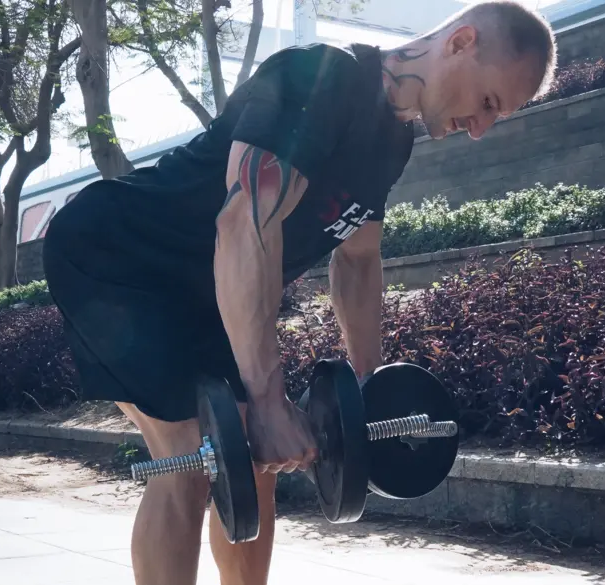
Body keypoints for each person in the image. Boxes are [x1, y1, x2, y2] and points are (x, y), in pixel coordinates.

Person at [42, 2, 557, 583]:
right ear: (461, 42)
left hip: (205, 292)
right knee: (188, 456)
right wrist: (264, 399)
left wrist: (370, 388)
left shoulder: (393, 144)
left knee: (253, 463)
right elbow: (243, 225)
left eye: (498, 116)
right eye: (488, 102)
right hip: (119, 257)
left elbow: (358, 262)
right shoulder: (321, 77)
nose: (481, 127)